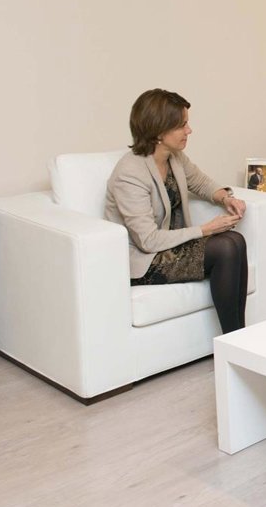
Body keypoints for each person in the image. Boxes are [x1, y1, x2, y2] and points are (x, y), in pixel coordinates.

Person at [105, 89, 250, 333]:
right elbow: (148, 240)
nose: (189, 130)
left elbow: (200, 182)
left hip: (170, 247)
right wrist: (206, 229)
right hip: (144, 260)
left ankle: (238, 338)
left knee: (236, 240)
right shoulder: (129, 174)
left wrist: (226, 198)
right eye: (182, 125)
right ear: (159, 131)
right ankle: (233, 339)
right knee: (226, 247)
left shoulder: (174, 157)